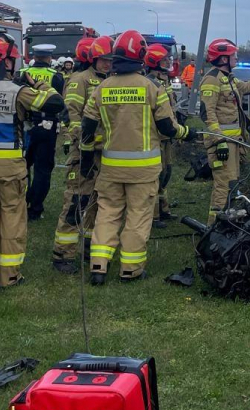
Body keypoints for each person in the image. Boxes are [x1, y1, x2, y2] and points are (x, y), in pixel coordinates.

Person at [80, 31, 193, 284]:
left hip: (110, 169)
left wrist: (87, 158)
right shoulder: (152, 88)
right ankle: (130, 270)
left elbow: (86, 127)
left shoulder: (102, 88)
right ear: (141, 57)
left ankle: (98, 267)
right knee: (138, 216)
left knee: (107, 214)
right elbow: (167, 128)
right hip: (143, 170)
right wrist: (187, 132)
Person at [0, 38, 63, 296]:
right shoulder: (17, 91)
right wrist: (36, 83)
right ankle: (10, 276)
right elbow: (55, 104)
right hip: (9, 165)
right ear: (8, 62)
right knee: (12, 219)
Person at [199, 38, 250, 222]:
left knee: (232, 184)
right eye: (233, 55)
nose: (235, 57)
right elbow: (207, 113)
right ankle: (214, 227)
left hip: (233, 143)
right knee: (222, 185)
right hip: (221, 144)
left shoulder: (230, 78)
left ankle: (227, 222)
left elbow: (248, 86)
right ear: (223, 58)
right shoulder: (212, 79)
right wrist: (219, 141)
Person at [52, 36, 111, 274]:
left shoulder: (109, 82)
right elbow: (71, 115)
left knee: (97, 201)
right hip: (83, 153)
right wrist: (86, 140)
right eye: (103, 60)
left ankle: (88, 246)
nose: (107, 64)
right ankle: (62, 254)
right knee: (77, 201)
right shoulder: (80, 80)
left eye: (110, 60)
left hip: (103, 154)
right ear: (93, 59)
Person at [21, 43, 66, 222]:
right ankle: (35, 209)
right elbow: (58, 103)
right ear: (49, 58)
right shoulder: (56, 76)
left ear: (34, 56)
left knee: (22, 167)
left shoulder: (22, 72)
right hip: (47, 126)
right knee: (43, 169)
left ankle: (21, 202)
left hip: (24, 125)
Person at [144, 43, 178, 227]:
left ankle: (164, 209)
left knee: (166, 173)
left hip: (167, 136)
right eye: (164, 60)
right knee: (157, 175)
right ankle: (153, 215)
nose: (168, 62)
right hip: (156, 136)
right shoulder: (150, 83)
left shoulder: (164, 81)